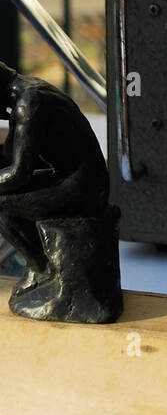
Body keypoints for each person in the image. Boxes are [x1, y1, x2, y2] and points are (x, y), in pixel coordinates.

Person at [0, 61, 121, 322]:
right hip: (68, 177)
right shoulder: (25, 93)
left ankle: (43, 268)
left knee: (1, 205)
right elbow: (9, 158)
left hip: (83, 187)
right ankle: (41, 268)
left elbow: (18, 175)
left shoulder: (28, 104)